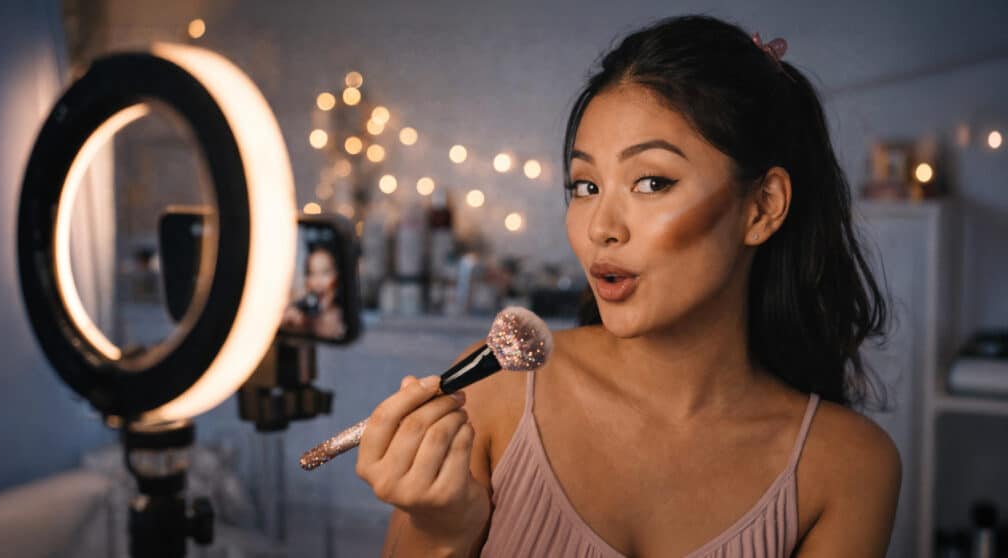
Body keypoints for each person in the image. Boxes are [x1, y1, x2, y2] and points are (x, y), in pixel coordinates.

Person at [355, 15, 901, 557]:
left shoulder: (848, 469)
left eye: (651, 182)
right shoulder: (496, 392)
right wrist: (442, 532)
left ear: (762, 207)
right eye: (586, 185)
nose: (599, 227)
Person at [282, 243, 346, 340]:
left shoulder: (342, 318)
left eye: (325, 272)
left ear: (337, 276)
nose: (317, 282)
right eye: (312, 273)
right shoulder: (301, 309)